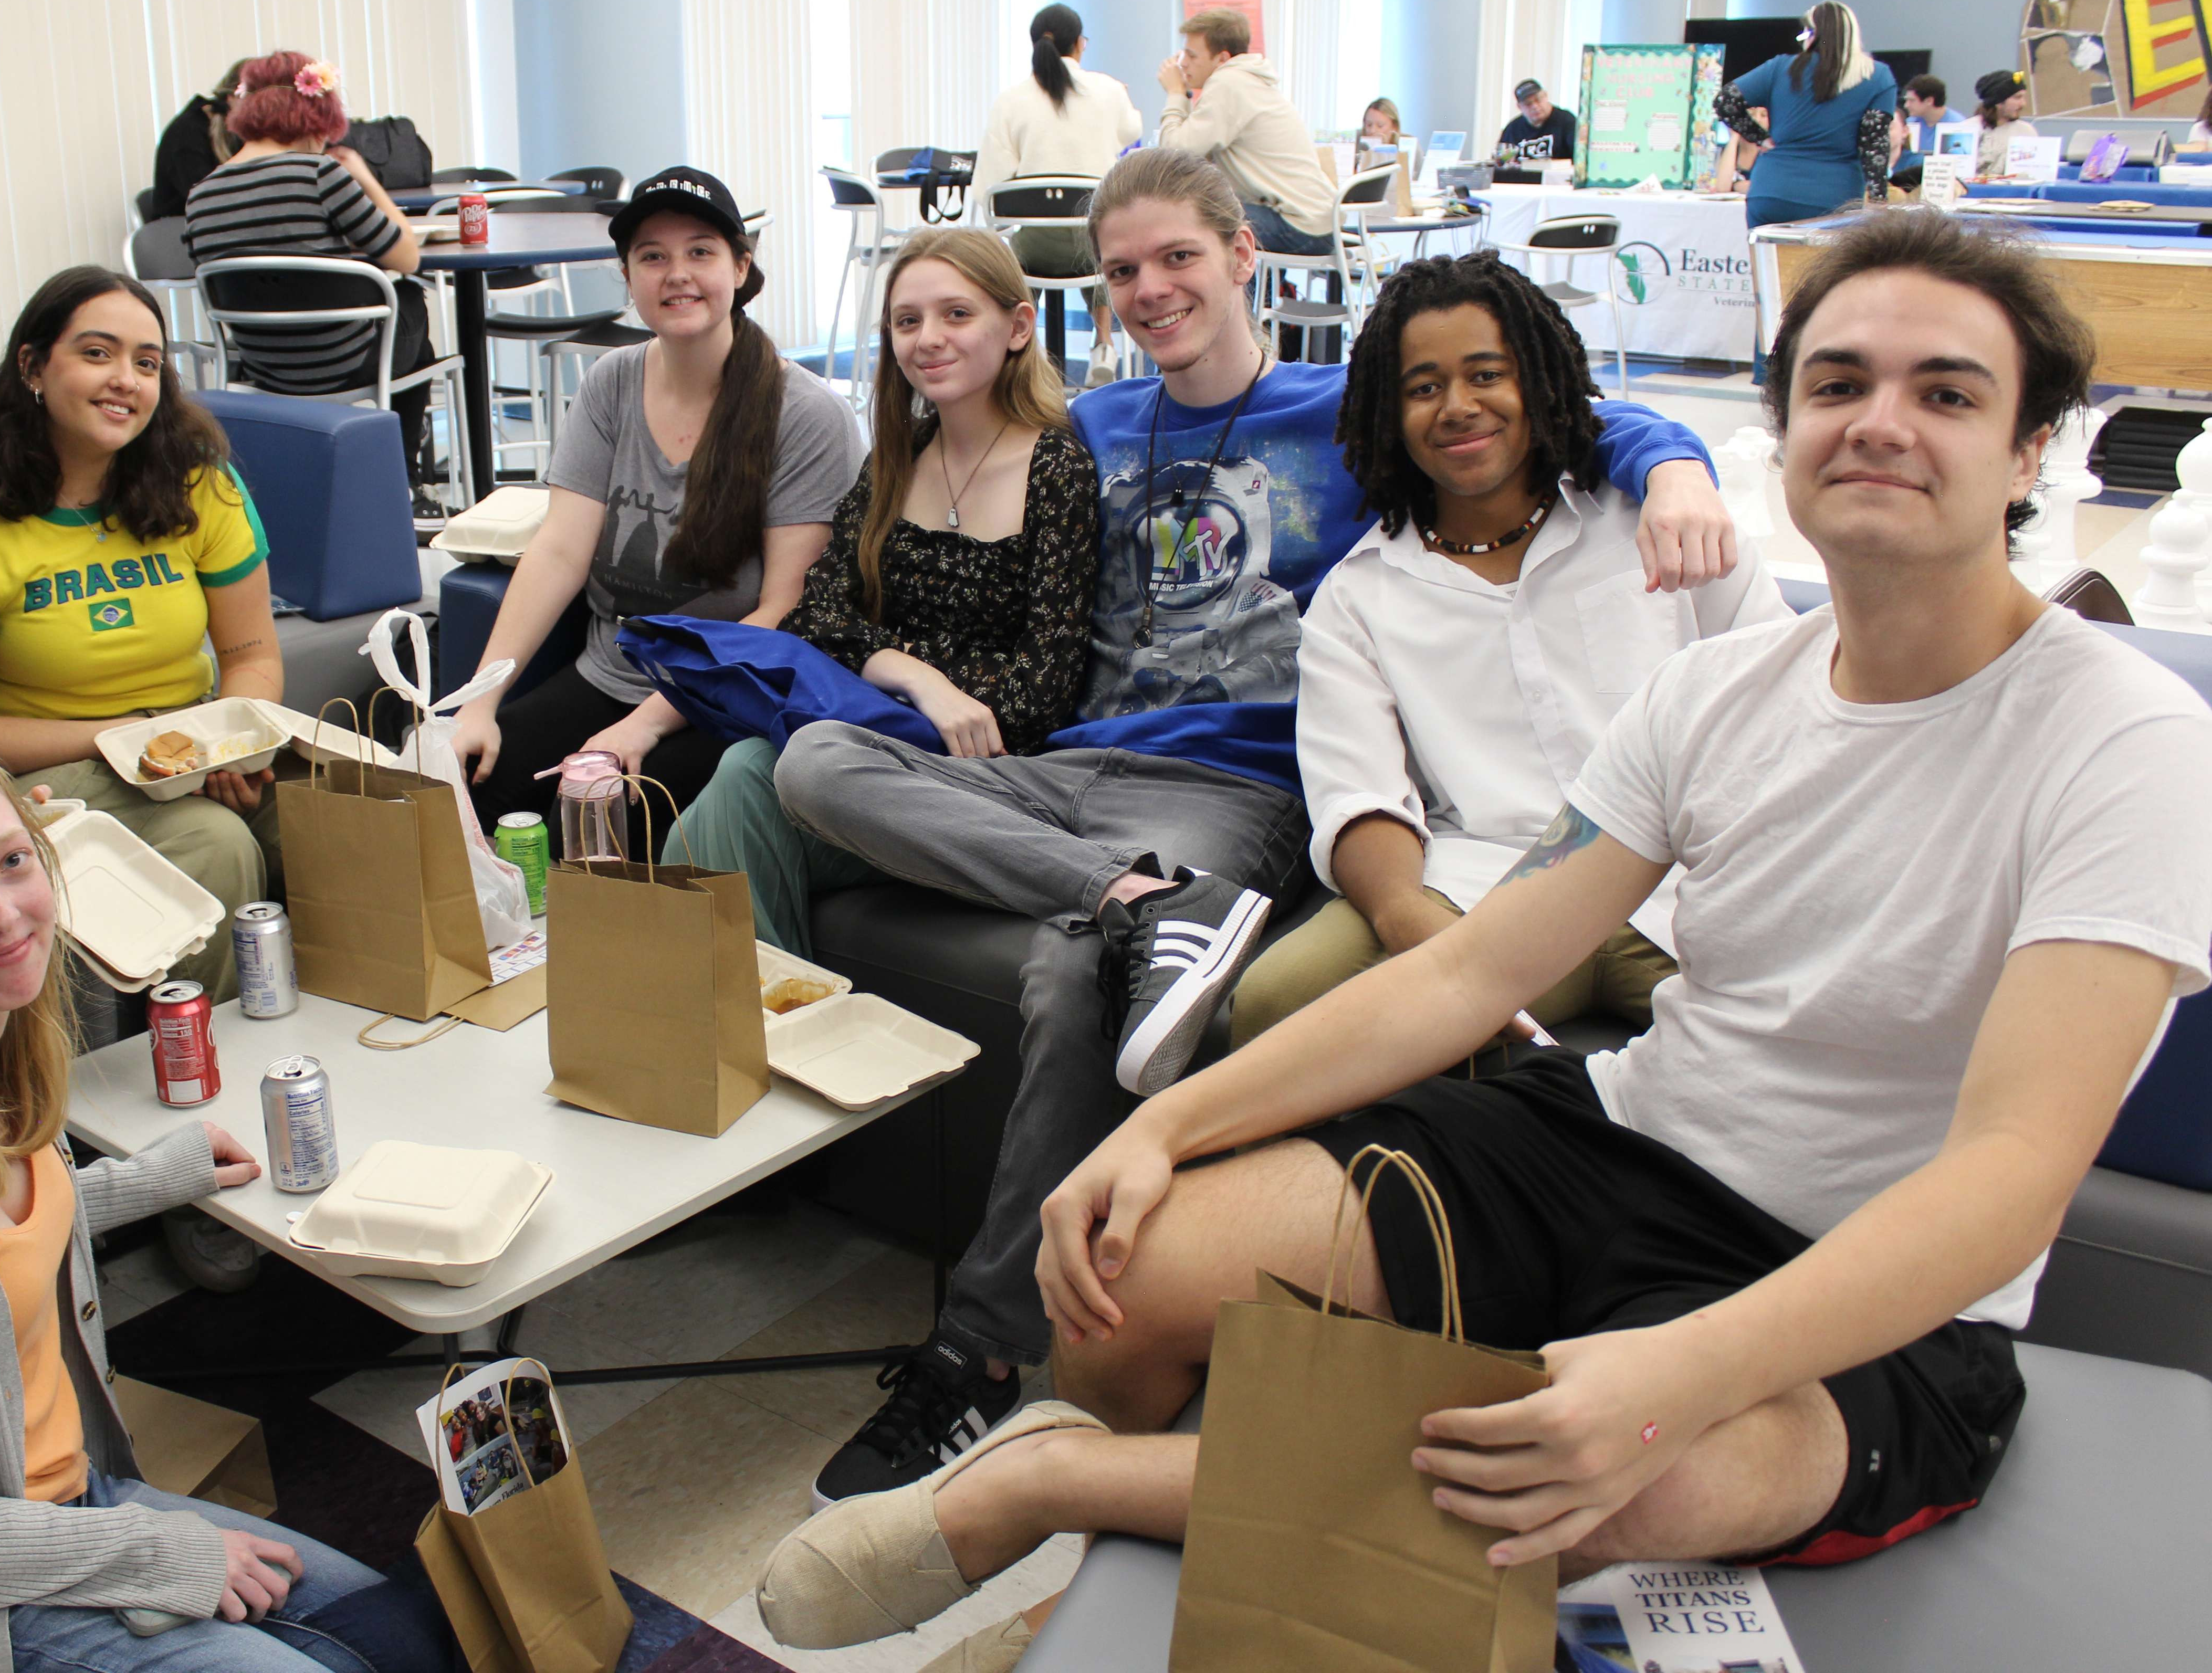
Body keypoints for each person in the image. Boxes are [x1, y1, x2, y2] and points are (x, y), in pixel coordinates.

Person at [753, 209, 2212, 1673]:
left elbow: (2013, 1178)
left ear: (2035, 454)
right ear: (1787, 429)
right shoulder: (1715, 695)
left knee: (1637, 1483)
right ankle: (1128, 1588)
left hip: (1876, 1282)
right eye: (1838, 387)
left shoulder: (2126, 739)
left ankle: (1051, 1483)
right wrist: (1162, 1130)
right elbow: (1467, 967)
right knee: (1126, 1267)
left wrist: (1674, 1374)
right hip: (1622, 1144)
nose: (1881, 424)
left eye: (1947, 393)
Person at [769, 147, 1735, 1511]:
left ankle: (982, 1356)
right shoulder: (1091, 429)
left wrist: (1682, 464)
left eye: (1178, 257)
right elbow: (943, 518)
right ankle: (1131, 901)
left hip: (1235, 790)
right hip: (1075, 769)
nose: (1153, 289)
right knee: (811, 762)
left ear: (1242, 255)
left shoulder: (1354, 410)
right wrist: (899, 665)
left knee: (1067, 974)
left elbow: (1562, 419)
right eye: (1121, 272)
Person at [0, 729, 466, 1673]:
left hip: (76, 1508)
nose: (3, 914)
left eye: (12, 863)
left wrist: (151, 1177)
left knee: (410, 1636)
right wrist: (156, 1554)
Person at [1224, 251, 1788, 1056]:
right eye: (1423, 388)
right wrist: (1412, 926)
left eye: (1488, 375)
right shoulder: (1362, 595)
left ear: (1540, 379)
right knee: (1278, 1005)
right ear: (1389, 411)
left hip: (1687, 875)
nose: (1458, 407)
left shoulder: (1654, 520)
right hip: (1485, 887)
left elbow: (1785, 700)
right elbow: (1360, 791)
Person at [664, 227, 1097, 955]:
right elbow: (815, 617)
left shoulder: (1057, 469)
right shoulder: (899, 459)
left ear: (1018, 326)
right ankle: (751, 1030)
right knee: (739, 786)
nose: (928, 339)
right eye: (907, 321)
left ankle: (726, 1037)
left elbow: (1035, 697)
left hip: (985, 781)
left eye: (957, 314)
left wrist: (886, 666)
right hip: (868, 750)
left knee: (738, 787)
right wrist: (916, 677)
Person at [452, 167, 862, 856]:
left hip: (719, 699)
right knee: (453, 801)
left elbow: (782, 612)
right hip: (607, 671)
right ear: (628, 275)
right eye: (653, 256)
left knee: (574, 837)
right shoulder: (612, 382)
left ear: (740, 265)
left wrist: (644, 725)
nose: (678, 274)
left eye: (700, 251)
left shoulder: (806, 414)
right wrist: (479, 701)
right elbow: (559, 552)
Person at [0, 267, 280, 1010]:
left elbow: (251, 656)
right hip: (50, 766)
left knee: (352, 815)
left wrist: (230, 743)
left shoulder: (202, 486)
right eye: (97, 354)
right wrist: (130, 741)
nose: (126, 380)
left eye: (147, 364)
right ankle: (200, 1068)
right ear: (33, 366)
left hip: (188, 745)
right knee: (215, 846)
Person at [183, 50, 439, 500]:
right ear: (315, 115)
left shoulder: (202, 194)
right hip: (344, 362)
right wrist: (362, 175)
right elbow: (407, 256)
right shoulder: (321, 174)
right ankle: (403, 483)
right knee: (411, 302)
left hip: (263, 366)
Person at [1718, 2, 1895, 385]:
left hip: (1771, 190)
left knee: (1771, 287)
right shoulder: (1877, 77)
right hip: (1834, 198)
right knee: (1827, 291)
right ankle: (1819, 377)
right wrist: (1879, 199)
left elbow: (1725, 101)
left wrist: (1760, 138)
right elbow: (1874, 144)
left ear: (1812, 34)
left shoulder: (1781, 67)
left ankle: (1769, 377)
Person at [972, 3, 1142, 387]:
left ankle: (1021, 355)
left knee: (1019, 251)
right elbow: (1131, 131)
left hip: (1037, 252)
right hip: (1093, 253)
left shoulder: (1011, 100)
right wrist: (1121, 101)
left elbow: (989, 192)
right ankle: (1104, 343)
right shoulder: (1108, 89)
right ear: (1081, 45)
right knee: (1101, 238)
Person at [1155, 8, 1336, 262]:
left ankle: (1238, 303)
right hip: (1320, 224)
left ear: (1222, 59)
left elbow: (1174, 154)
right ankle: (1258, 300)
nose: (1183, 63)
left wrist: (1175, 93)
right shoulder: (1247, 80)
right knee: (1222, 215)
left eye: (1192, 56)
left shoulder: (1228, 83)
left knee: (1197, 220)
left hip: (1297, 227)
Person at [151, 57, 254, 218]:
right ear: (234, 95)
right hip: (186, 231)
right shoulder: (186, 133)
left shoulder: (243, 131)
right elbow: (209, 201)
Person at [1972, 70, 2038, 177]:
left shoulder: (2027, 131)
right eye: (2017, 98)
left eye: (2023, 97)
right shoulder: (1967, 129)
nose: (2023, 104)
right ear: (1999, 102)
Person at [1497, 79, 1577, 168]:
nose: (1535, 106)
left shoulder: (1567, 121)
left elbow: (1579, 159)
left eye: (1538, 100)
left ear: (1546, 96)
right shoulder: (1513, 129)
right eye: (1528, 104)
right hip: (1523, 180)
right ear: (1520, 107)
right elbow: (1501, 162)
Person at [1354, 96, 1402, 174]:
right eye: (1369, 125)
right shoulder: (1356, 143)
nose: (1373, 131)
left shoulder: (1408, 145)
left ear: (1394, 127)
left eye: (1380, 126)